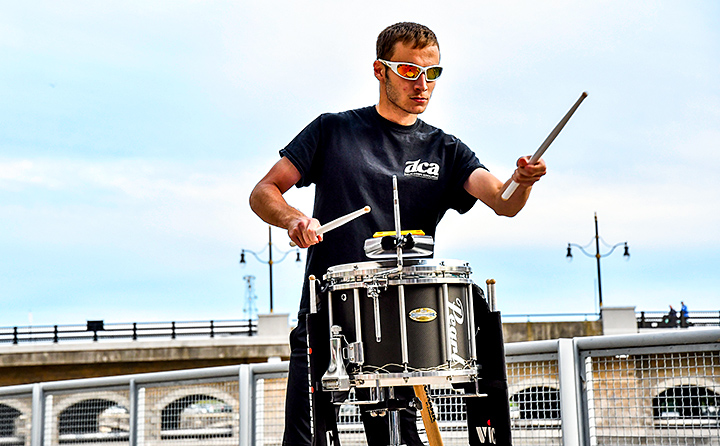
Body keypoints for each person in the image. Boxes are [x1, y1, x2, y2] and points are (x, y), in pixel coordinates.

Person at [249, 22, 546, 446]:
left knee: (400, 440)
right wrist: (295, 219)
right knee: (305, 439)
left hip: (406, 324)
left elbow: (503, 201)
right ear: (380, 70)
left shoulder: (446, 149)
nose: (422, 84)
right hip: (328, 314)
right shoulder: (332, 130)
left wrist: (524, 180)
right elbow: (264, 191)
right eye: (408, 71)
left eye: (432, 74)